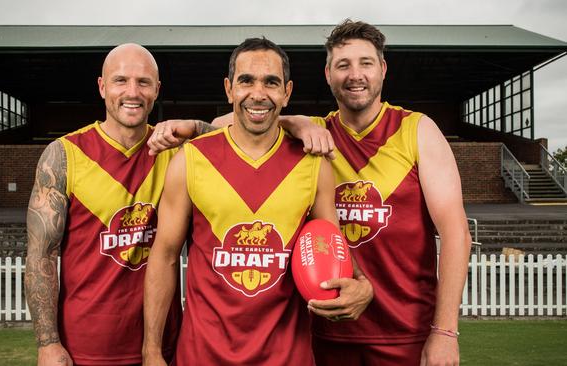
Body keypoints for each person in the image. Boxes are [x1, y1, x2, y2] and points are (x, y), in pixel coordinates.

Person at [152, 19, 472, 366]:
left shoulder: (417, 130)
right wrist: (195, 127)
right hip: (325, 329)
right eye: (343, 65)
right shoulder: (315, 136)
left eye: (365, 63)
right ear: (327, 74)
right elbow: (246, 124)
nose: (355, 75)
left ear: (382, 68)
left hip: (404, 329)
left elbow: (456, 234)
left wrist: (444, 331)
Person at [141, 37, 372, 366]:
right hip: (201, 355)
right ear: (229, 88)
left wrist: (361, 284)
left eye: (271, 82)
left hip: (288, 357)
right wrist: (151, 350)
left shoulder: (313, 164)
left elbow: (332, 247)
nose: (258, 94)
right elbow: (163, 257)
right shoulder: (191, 159)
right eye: (246, 80)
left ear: (287, 92)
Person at [25, 43, 212, 366]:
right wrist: (48, 343)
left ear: (157, 90)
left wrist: (195, 126)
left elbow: (241, 136)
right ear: (102, 87)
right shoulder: (64, 155)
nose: (132, 92)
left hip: (161, 347)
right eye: (120, 80)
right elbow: (41, 255)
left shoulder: (178, 153)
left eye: (143, 82)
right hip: (84, 347)